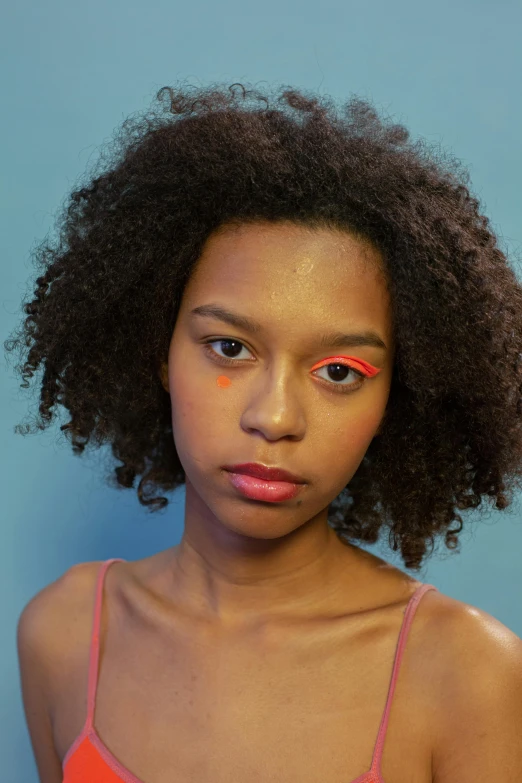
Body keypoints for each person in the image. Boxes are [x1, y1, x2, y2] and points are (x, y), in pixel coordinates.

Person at [10, 82, 522, 783]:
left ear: (396, 393)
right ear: (159, 350)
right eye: (229, 348)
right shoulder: (63, 633)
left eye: (339, 371)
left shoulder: (468, 674)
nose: (275, 417)